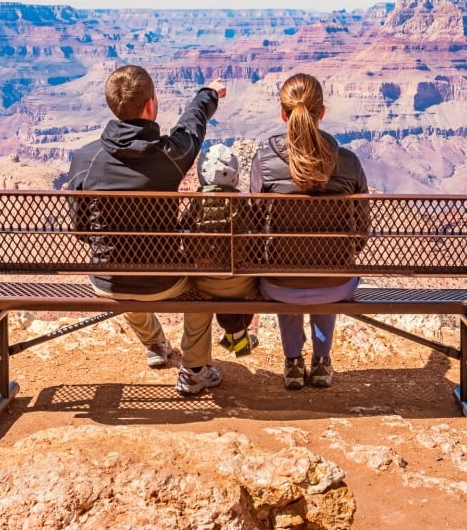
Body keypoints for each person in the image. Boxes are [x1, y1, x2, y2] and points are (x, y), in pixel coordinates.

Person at [67, 64, 227, 396]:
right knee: (207, 284)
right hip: (163, 281)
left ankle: (156, 345)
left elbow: (82, 230)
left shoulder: (86, 159)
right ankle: (195, 369)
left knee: (124, 276)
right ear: (151, 106)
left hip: (108, 281)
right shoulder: (171, 155)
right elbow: (192, 125)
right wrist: (208, 94)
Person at [250, 73, 369, 390]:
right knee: (326, 264)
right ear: (322, 113)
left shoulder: (265, 162)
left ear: (283, 114)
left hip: (279, 285)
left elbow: (253, 226)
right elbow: (361, 232)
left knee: (284, 265)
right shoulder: (349, 162)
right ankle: (321, 361)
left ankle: (292, 362)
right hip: (337, 283)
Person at [184, 143, 259, 356]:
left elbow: (187, 244)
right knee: (242, 282)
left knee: (219, 281)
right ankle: (236, 336)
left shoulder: (195, 205)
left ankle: (235, 336)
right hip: (242, 282)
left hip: (203, 281)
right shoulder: (242, 205)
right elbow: (253, 244)